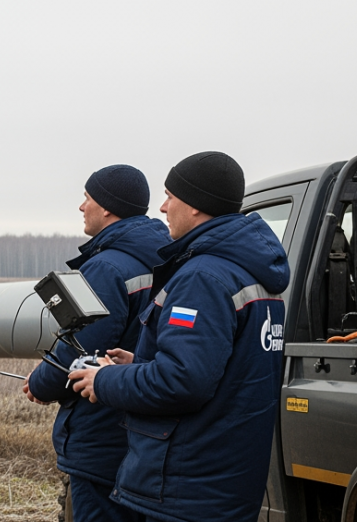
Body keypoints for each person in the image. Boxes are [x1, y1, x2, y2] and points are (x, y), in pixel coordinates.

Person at [69, 152, 288, 522]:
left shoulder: (203, 278)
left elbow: (181, 382)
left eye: (170, 196)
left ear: (196, 205)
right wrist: (138, 364)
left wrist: (104, 379)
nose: (162, 207)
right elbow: (224, 372)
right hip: (228, 480)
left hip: (188, 487)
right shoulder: (253, 272)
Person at [24, 164, 171, 522]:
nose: (81, 206)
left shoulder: (106, 268)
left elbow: (81, 348)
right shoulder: (168, 258)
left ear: (107, 207)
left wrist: (40, 383)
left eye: (87, 198)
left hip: (102, 433)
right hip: (150, 433)